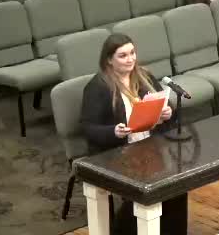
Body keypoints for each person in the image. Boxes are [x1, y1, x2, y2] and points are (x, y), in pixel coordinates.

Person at [79, 33, 186, 235]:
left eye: (132, 53)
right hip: (118, 152)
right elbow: (88, 128)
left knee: (177, 185)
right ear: (109, 60)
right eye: (123, 55)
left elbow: (167, 107)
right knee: (147, 191)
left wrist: (168, 112)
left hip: (149, 146)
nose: (130, 59)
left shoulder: (144, 76)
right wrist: (114, 132)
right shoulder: (98, 86)